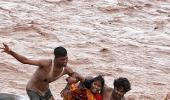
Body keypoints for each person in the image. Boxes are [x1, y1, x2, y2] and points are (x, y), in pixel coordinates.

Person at [0, 43, 77, 100]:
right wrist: (11, 52)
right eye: (62, 60)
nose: (65, 61)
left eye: (66, 58)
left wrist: (67, 87)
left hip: (46, 91)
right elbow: (25, 61)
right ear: (56, 59)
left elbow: (74, 75)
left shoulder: (66, 69)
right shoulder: (46, 63)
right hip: (33, 90)